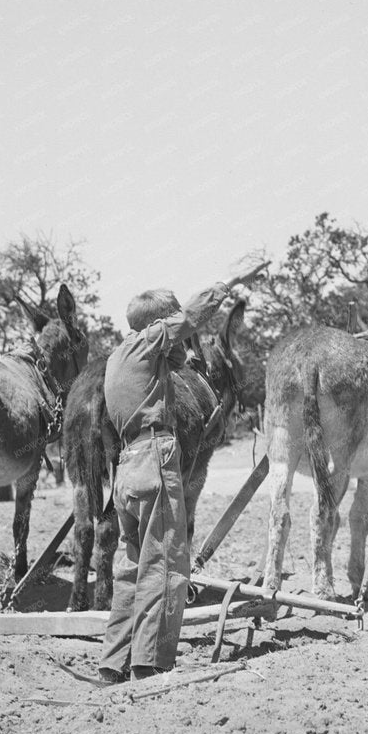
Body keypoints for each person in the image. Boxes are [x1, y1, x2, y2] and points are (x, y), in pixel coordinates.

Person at [97, 257, 271, 683]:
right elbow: (192, 315)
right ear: (158, 328)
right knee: (167, 564)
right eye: (172, 329)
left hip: (126, 471)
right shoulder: (149, 343)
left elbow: (178, 348)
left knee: (130, 567)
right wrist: (230, 280)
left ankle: (113, 663)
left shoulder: (117, 358)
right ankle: (150, 663)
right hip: (156, 460)